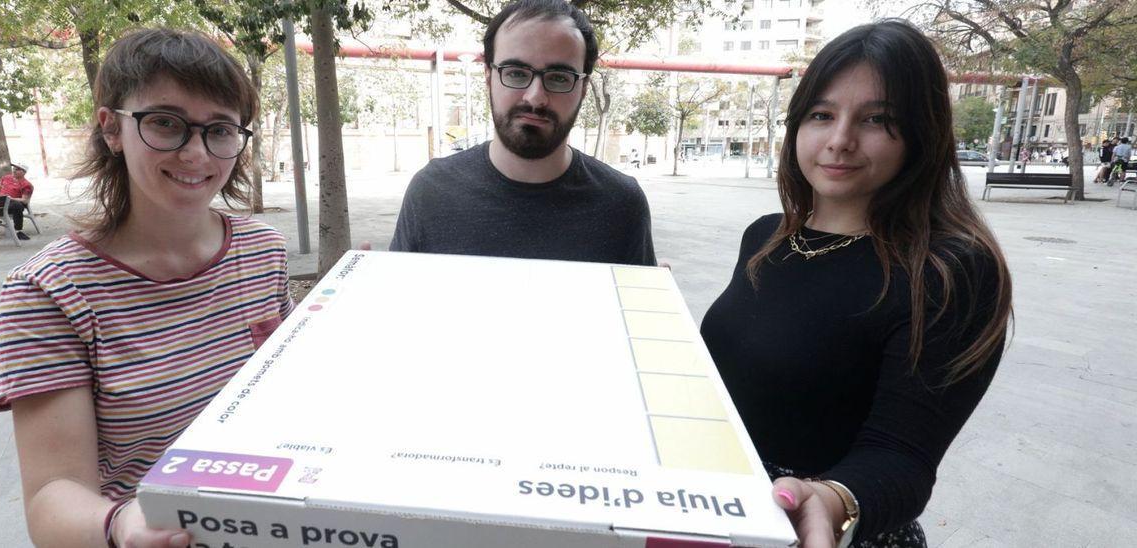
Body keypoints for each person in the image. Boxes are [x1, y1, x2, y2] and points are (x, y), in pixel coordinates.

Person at [699, 20, 1013, 548]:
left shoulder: (948, 271)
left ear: (923, 132)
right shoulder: (767, 237)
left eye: (877, 119)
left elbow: (903, 456)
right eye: (822, 115)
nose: (840, 140)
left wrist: (831, 500)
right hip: (721, 511)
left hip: (821, 529)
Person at [0, 28, 294, 548]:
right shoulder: (48, 293)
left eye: (220, 129)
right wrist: (123, 522)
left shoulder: (262, 250)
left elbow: (285, 392)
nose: (196, 153)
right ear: (111, 129)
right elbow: (52, 495)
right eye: (166, 123)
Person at [388, 0, 656, 266]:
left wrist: (658, 303)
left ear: (583, 89)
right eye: (516, 73)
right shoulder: (430, 193)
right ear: (489, 77)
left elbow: (639, 305)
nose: (535, 97)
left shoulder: (622, 204)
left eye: (559, 77)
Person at [0, 163, 35, 239]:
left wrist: (10, 198)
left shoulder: (26, 184)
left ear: (24, 172)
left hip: (12, 204)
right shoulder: (6, 177)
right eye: (14, 168)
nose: (14, 170)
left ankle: (18, 231)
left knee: (17, 205)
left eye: (17, 169)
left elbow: (25, 201)